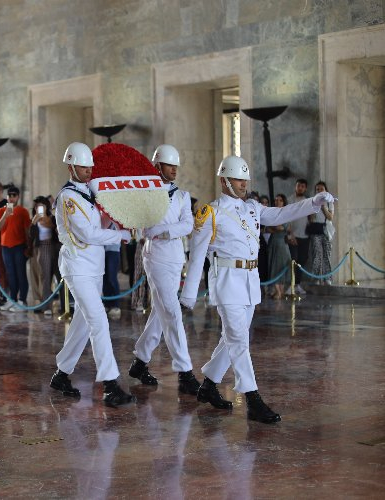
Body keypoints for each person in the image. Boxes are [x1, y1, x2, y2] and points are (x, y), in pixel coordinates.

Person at [180, 156, 336, 423]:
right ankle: (252, 399)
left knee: (232, 338)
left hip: (250, 282)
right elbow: (197, 255)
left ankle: (208, 385)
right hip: (227, 282)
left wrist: (314, 202)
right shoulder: (211, 212)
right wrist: (188, 294)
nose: (244, 184)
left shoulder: (252, 208)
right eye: (238, 180)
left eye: (245, 180)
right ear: (224, 181)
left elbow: (281, 214)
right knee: (239, 340)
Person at [49, 142, 134, 408]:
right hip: (78, 267)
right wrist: (119, 235)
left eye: (90, 167)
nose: (88, 170)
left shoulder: (89, 192)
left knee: (83, 324)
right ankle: (110, 385)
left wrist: (116, 218)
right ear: (71, 167)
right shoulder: (68, 197)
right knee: (99, 321)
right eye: (83, 166)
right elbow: (87, 234)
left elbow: (99, 223)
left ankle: (61, 374)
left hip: (94, 267)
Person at [129, 144, 201, 395]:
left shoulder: (182, 196)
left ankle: (140, 361)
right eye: (169, 165)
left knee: (160, 311)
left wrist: (164, 231)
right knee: (171, 311)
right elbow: (144, 228)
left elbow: (188, 224)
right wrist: (160, 231)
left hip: (175, 257)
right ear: (157, 166)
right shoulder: (146, 193)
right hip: (155, 257)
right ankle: (185, 372)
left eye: (176, 166)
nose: (174, 170)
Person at [0, 185, 31, 311]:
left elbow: (27, 230)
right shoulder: (1, 211)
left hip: (19, 246)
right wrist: (5, 215)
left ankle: (22, 300)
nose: (11, 198)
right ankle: (12, 299)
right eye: (9, 195)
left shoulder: (23, 211)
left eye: (14, 195)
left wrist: (29, 247)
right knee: (10, 274)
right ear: (6, 197)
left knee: (21, 273)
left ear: (18, 197)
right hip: (6, 246)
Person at [28, 196, 57, 315]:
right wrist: (33, 222)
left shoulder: (52, 218)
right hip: (38, 248)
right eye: (36, 206)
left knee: (48, 276)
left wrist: (44, 218)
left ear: (46, 207)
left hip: (51, 247)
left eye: (41, 206)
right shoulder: (34, 220)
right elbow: (31, 235)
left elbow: (54, 228)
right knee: (39, 276)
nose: (38, 208)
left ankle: (48, 305)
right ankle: (41, 303)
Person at [307, 181, 335, 284]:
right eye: (317, 189)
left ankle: (328, 278)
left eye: (321, 189)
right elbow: (310, 219)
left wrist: (323, 208)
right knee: (317, 255)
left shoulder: (329, 202)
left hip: (326, 230)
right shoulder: (313, 202)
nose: (319, 191)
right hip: (316, 230)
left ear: (326, 190)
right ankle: (316, 278)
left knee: (327, 254)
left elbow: (330, 217)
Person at [266, 194, 292, 299]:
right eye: (276, 200)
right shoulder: (272, 213)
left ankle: (281, 290)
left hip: (281, 243)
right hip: (273, 242)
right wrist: (273, 227)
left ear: (284, 202)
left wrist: (273, 226)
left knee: (281, 265)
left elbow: (281, 227)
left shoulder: (286, 214)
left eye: (280, 200)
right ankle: (277, 290)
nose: (277, 202)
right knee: (273, 265)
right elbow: (267, 228)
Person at [287, 178, 310, 294]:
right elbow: (287, 217)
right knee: (293, 260)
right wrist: (290, 235)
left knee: (301, 261)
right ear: (295, 187)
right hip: (293, 236)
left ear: (305, 188)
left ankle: (297, 284)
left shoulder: (308, 201)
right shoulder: (289, 200)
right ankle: (290, 284)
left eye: (302, 186)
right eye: (298, 186)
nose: (300, 188)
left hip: (304, 236)